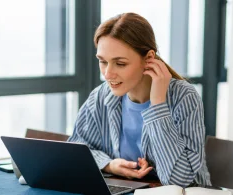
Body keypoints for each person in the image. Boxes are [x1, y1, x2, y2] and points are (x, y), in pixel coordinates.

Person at [68, 12, 211, 188]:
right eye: (103, 61)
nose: (107, 74)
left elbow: (177, 181)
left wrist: (157, 104)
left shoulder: (184, 97)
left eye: (120, 63)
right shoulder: (101, 96)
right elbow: (76, 149)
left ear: (149, 58)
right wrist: (109, 164)